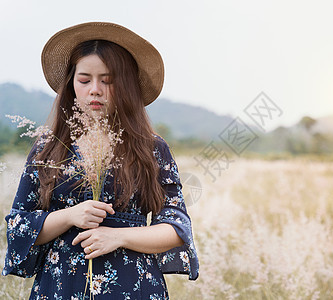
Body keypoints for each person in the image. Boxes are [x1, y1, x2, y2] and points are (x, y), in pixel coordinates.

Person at [2, 22, 199, 299]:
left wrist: (118, 236)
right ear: (71, 84)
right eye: (84, 80)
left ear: (127, 85)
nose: (95, 90)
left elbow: (177, 228)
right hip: (61, 287)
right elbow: (18, 226)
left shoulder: (151, 148)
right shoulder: (49, 149)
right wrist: (69, 215)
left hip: (133, 286)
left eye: (107, 80)